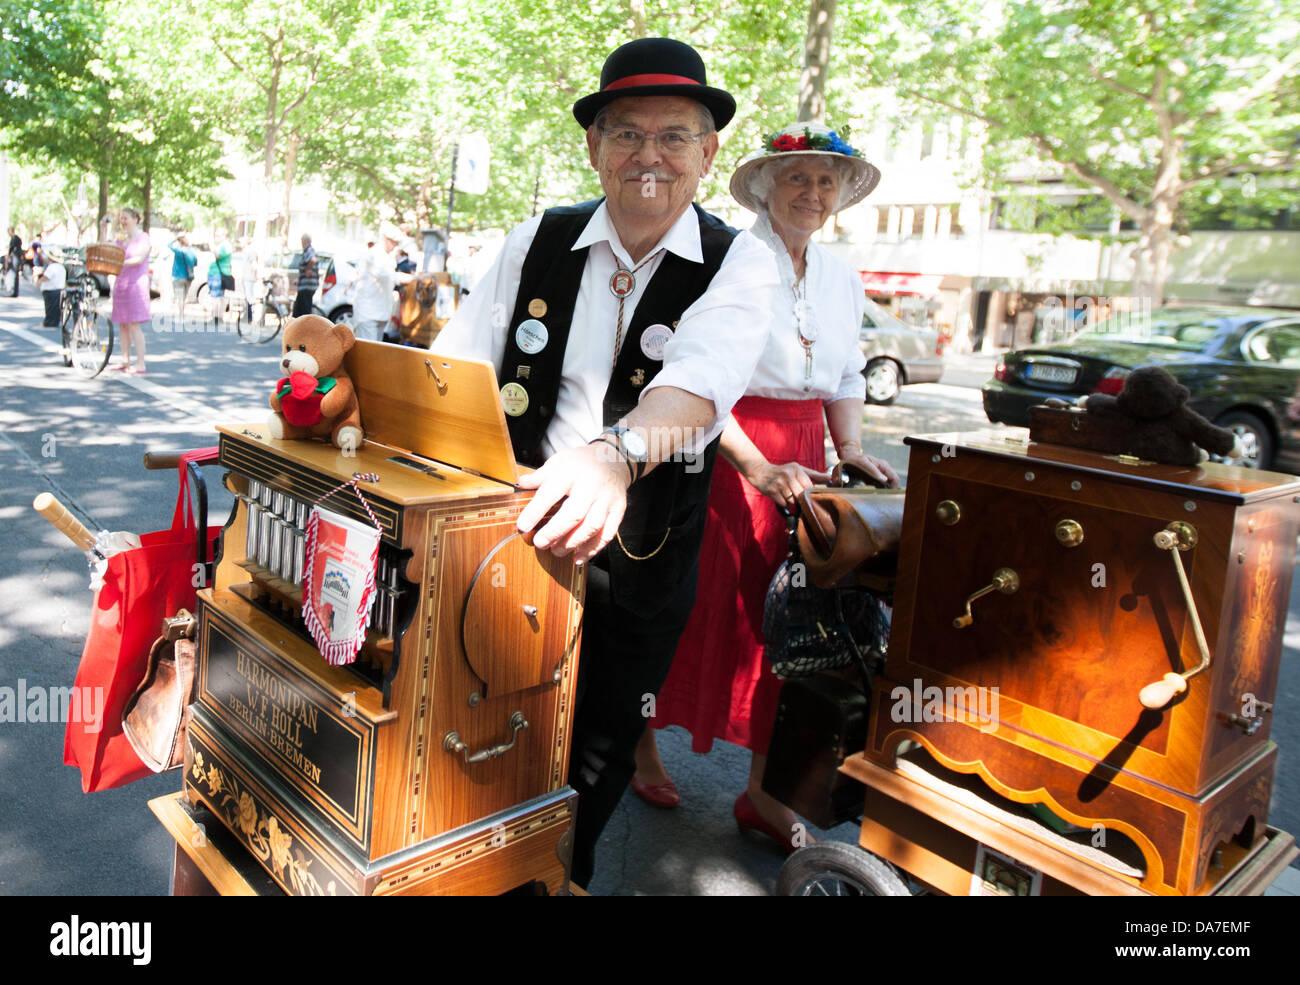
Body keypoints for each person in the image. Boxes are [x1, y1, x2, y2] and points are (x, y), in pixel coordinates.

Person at [431, 37, 779, 889]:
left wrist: (613, 459)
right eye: (627, 134)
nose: (648, 156)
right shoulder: (534, 241)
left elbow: (697, 386)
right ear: (594, 147)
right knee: (469, 742)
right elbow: (454, 368)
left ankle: (560, 876)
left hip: (645, 555)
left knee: (593, 763)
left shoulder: (743, 260)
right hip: (503, 544)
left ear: (708, 152)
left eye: (673, 135)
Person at [633, 122, 900, 849]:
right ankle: (640, 740)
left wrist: (852, 449)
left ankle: (761, 791)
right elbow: (702, 376)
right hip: (725, 446)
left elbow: (846, 373)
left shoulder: (842, 274)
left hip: (808, 457)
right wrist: (755, 465)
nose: (813, 194)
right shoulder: (731, 259)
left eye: (826, 182)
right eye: (797, 179)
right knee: (687, 606)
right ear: (764, 188)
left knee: (796, 627)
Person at [104, 208, 152, 373]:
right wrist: (104, 228)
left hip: (136, 285)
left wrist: (120, 263)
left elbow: (139, 259)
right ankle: (125, 360)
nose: (123, 221)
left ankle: (140, 363)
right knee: (123, 324)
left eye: (125, 218)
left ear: (135, 219)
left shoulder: (143, 238)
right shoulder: (121, 238)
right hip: (121, 284)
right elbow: (107, 249)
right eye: (121, 218)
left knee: (133, 324)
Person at [347, 221, 407, 342]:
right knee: (368, 351)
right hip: (368, 313)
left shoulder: (387, 256)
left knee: (375, 349)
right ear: (385, 239)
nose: (395, 245)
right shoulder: (374, 254)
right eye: (393, 242)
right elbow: (389, 275)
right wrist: (414, 278)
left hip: (379, 312)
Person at [169, 232, 198, 327]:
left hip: (178, 277)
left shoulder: (179, 251)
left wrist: (176, 238)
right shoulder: (191, 251)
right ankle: (182, 315)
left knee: (179, 298)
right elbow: (195, 262)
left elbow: (169, 245)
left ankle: (181, 316)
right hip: (188, 277)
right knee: (184, 298)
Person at [38, 248, 66, 329]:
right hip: (58, 289)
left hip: (51, 290)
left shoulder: (52, 267)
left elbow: (47, 277)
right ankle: (54, 321)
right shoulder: (61, 267)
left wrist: (39, 281)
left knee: (50, 307)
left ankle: (49, 322)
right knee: (56, 307)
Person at [294, 233, 319, 318]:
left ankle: (304, 329)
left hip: (307, 287)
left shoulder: (309, 250)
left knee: (302, 312)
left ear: (304, 241)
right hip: (305, 286)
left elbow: (313, 260)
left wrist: (308, 269)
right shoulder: (307, 251)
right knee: (298, 311)